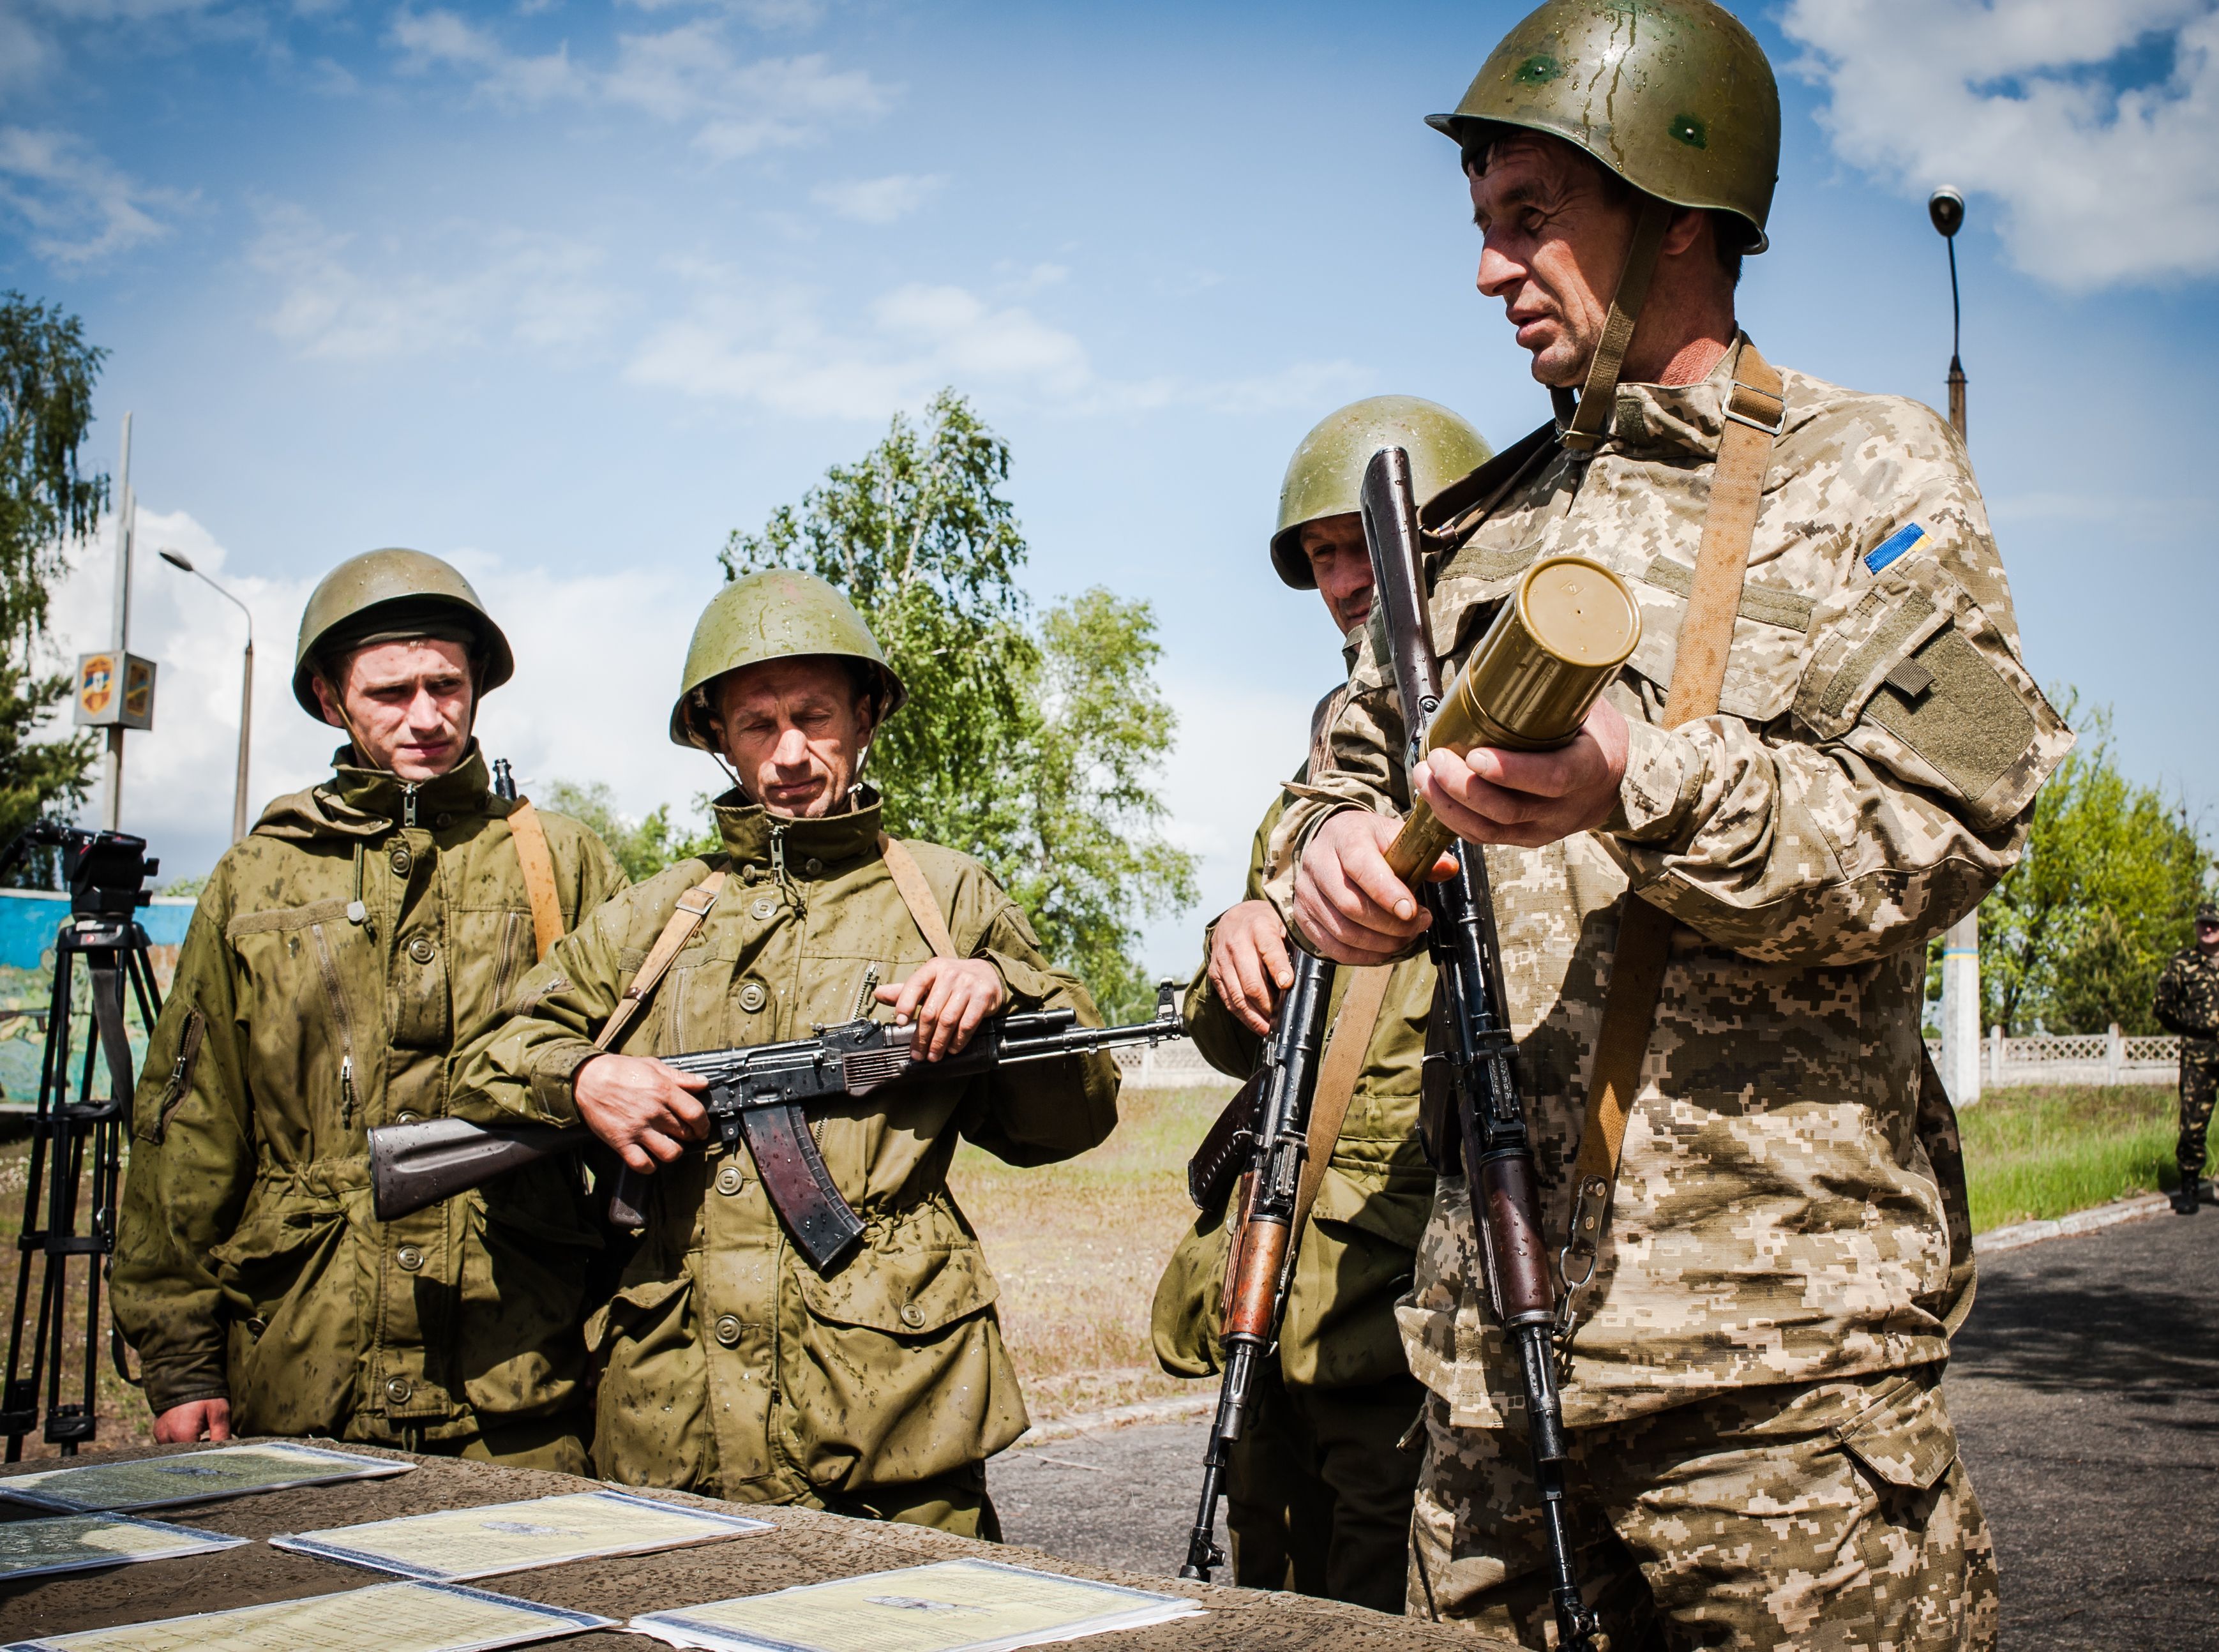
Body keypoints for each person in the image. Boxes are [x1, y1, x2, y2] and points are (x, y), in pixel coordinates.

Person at [1268, 3, 2074, 1645]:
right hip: (1493, 1372)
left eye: (1528, 222)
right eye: (1481, 229)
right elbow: (1342, 765)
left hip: (1776, 1385)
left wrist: (1636, 779)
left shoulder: (1863, 477)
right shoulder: (1477, 529)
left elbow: (1942, 827)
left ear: (1673, 213)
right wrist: (1328, 855)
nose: (1488, 273)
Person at [458, 569, 1118, 1538]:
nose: (791, 754)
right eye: (759, 725)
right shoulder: (656, 915)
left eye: (815, 716)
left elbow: (1078, 1110)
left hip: (895, 1408)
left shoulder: (945, 896)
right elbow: (494, 1056)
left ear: (864, 719)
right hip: (674, 1416)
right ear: (716, 738)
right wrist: (586, 1078)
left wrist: (999, 991)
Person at [114, 548, 626, 1469]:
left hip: (516, 1369)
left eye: (447, 685)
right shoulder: (260, 877)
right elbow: (188, 1131)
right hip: (303, 1359)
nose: (427, 717)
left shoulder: (562, 863)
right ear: (329, 699)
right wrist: (185, 1366)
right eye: (391, 693)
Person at [1150, 396, 1491, 1611]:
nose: (1345, 580)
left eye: (1363, 545)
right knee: (1265, 1603)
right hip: (1276, 1292)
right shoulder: (1321, 768)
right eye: (1322, 558)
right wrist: (1235, 935)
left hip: (1409, 1313)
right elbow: (1229, 1023)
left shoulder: (1508, 756)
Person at [2153, 903, 2219, 1215]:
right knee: (2193, 1123)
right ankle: (2190, 1187)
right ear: (2196, 927)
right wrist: (2192, 1027)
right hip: (2199, 1054)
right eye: (2204, 924)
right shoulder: (2182, 964)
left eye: (2214, 924)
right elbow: (2162, 1006)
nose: (2209, 929)